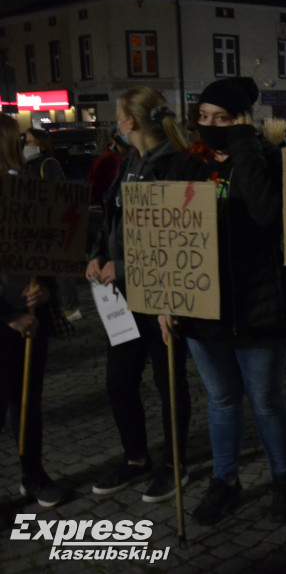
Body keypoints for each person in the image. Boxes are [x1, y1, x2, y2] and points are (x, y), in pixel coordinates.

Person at [160, 76, 286, 525]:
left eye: (221, 119)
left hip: (259, 304)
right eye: (203, 117)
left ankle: (283, 480)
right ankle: (225, 481)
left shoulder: (271, 160)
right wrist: (166, 299)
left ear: (242, 120)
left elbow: (265, 213)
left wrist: (241, 142)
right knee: (221, 401)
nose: (209, 126)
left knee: (265, 400)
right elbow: (167, 237)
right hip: (204, 309)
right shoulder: (188, 165)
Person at [86, 86, 192, 503]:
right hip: (121, 299)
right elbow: (111, 218)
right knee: (119, 382)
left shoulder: (176, 165)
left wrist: (128, 267)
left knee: (169, 381)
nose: (116, 121)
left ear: (130, 121)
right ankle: (136, 459)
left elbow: (181, 236)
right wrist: (96, 255)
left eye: (118, 115)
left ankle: (175, 463)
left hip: (162, 294)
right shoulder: (128, 162)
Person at [0, 114, 64, 509]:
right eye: (20, 137)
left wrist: (46, 291)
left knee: (27, 403)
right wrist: (7, 315)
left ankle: (33, 475)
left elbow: (50, 253)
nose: (28, 143)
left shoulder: (26, 190)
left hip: (29, 315)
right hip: (6, 318)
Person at [22, 129, 81, 322]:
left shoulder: (48, 164)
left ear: (42, 144)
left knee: (61, 270)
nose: (26, 146)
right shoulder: (27, 165)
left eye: (30, 142)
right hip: (35, 226)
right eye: (25, 142)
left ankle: (70, 310)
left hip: (52, 224)